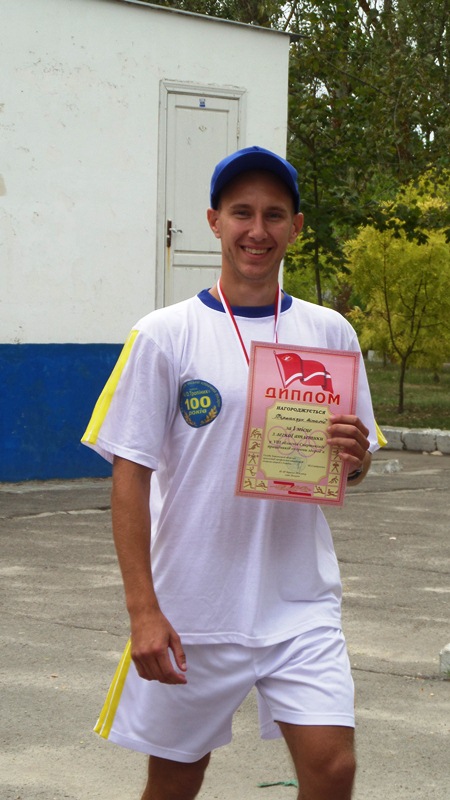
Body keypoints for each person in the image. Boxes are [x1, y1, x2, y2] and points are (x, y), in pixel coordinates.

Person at [82, 145, 379, 800]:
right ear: (214, 221)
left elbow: (352, 467)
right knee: (175, 783)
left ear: (296, 227)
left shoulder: (330, 333)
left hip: (298, 603)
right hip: (194, 609)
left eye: (274, 215)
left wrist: (354, 460)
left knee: (334, 769)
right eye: (242, 212)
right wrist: (143, 610)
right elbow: (129, 476)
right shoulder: (165, 334)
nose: (257, 230)